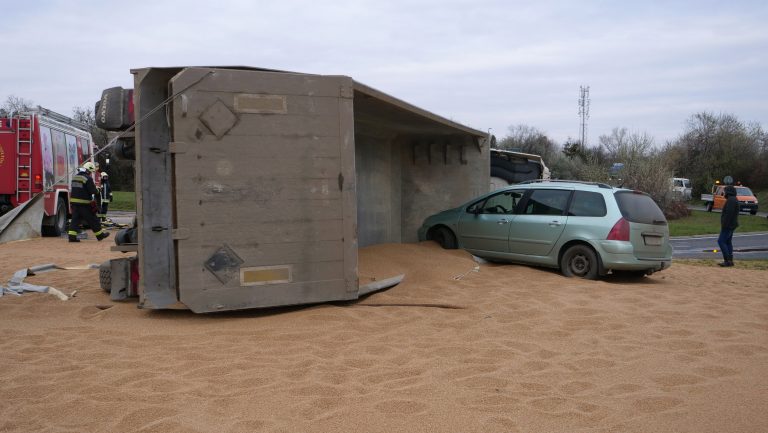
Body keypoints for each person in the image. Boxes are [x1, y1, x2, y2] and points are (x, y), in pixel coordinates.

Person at [67, 162, 110, 243]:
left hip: (74, 203)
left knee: (75, 220)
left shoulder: (75, 177)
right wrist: (98, 190)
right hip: (84, 204)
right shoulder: (88, 178)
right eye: (91, 172)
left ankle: (72, 237)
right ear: (88, 170)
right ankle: (100, 235)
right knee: (93, 219)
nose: (91, 173)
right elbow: (93, 190)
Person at [717, 181, 739, 267]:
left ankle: (727, 260)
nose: (724, 193)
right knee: (728, 242)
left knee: (721, 241)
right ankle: (730, 260)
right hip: (732, 224)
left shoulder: (731, 200)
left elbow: (729, 214)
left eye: (725, 191)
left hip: (728, 225)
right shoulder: (734, 199)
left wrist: (724, 224)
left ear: (729, 192)